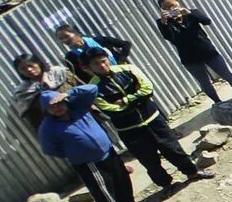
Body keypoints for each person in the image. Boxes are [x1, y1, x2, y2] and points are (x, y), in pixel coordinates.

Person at [15, 58, 135, 202]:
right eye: (52, 107)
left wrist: (67, 95)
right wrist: (74, 151)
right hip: (87, 161)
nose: (57, 108)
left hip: (107, 151)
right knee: (103, 191)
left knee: (121, 178)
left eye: (59, 104)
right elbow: (50, 148)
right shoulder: (47, 126)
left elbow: (91, 88)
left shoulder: (77, 107)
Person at [67, 41, 201, 193]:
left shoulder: (128, 69)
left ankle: (193, 172)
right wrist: (136, 99)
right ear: (89, 68)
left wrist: (125, 100)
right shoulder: (92, 89)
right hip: (130, 130)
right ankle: (167, 185)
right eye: (96, 64)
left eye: (103, 61)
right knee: (149, 161)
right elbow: (110, 110)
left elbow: (147, 89)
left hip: (153, 120)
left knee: (173, 149)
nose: (102, 66)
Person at [157, 0, 232, 104]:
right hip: (189, 58)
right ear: (162, 9)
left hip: (207, 52)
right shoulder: (162, 22)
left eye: (173, 5)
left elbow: (207, 21)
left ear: (178, 2)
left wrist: (189, 13)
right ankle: (218, 103)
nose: (171, 9)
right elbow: (168, 37)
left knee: (226, 74)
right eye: (166, 8)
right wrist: (164, 23)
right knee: (204, 82)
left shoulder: (192, 13)